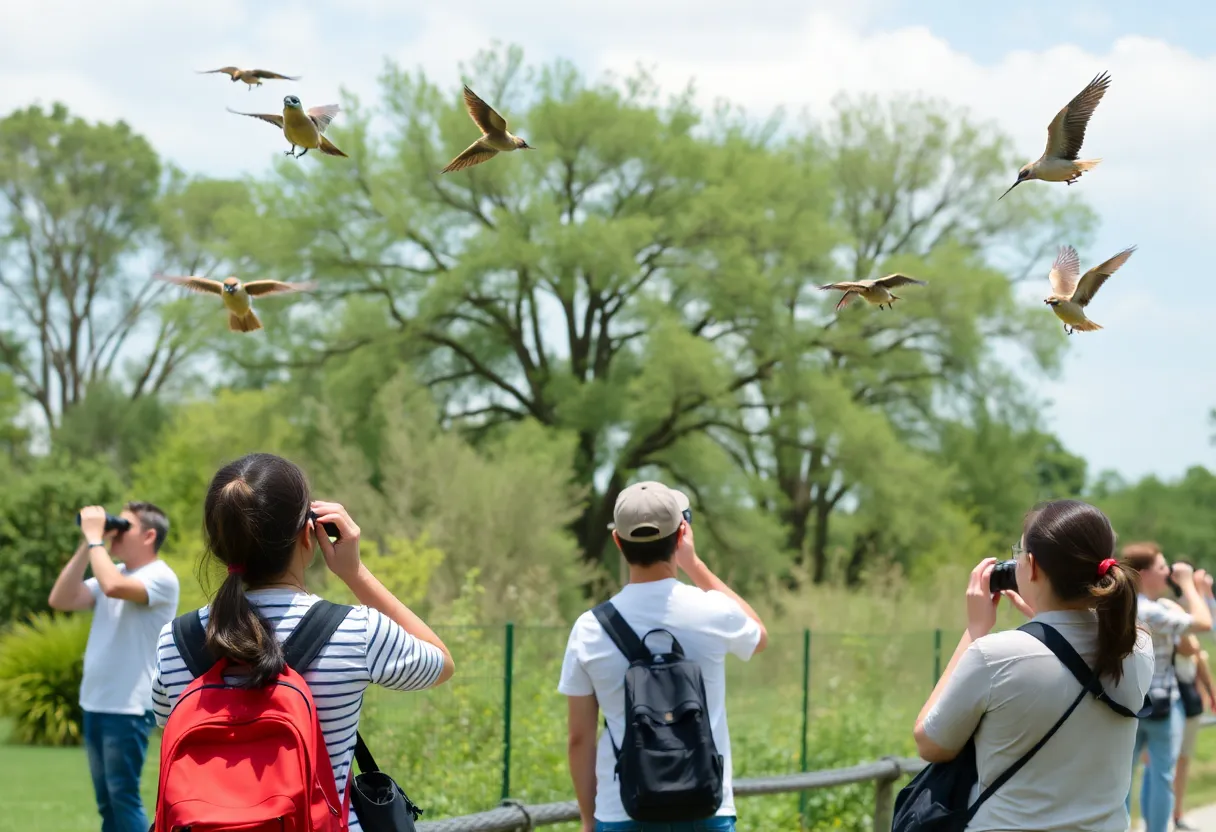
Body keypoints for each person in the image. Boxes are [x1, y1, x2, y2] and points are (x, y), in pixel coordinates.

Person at [150, 452, 454, 831]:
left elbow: (168, 720)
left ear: (218, 544)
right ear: (307, 535)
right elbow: (441, 662)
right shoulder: (356, 630)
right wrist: (355, 573)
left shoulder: (176, 641)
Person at [913, 499, 1154, 831]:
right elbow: (1078, 650)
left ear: (1032, 566)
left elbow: (930, 742)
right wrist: (1046, 623)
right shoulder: (1138, 647)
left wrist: (974, 630)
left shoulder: (994, 655)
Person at [558, 481, 768, 832]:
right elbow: (758, 636)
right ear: (681, 533)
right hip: (706, 807)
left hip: (624, 811)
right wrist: (694, 563)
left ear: (618, 542)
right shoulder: (713, 611)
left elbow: (579, 738)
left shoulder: (590, 628)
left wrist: (587, 820)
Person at [48, 501, 180, 832]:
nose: (115, 534)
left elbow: (113, 588)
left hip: (128, 706)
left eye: (125, 527)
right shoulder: (116, 569)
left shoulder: (161, 576)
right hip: (96, 701)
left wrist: (96, 541)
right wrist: (87, 544)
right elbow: (61, 599)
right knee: (107, 802)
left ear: (150, 535)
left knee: (123, 797)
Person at [1122, 543, 1215, 832]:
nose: (1167, 573)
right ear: (1144, 573)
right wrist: (1188, 584)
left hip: (1128, 704)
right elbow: (1203, 623)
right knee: (1162, 775)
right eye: (1163, 567)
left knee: (1123, 777)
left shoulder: (1123, 606)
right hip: (1161, 704)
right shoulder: (1149, 610)